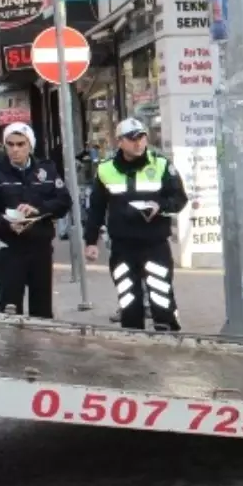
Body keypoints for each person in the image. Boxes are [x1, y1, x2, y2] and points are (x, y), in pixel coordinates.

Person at [83, 118, 188, 332]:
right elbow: (96, 208)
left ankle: (168, 340)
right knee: (128, 298)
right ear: (119, 142)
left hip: (155, 243)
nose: (138, 143)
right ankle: (132, 345)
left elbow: (179, 199)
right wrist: (91, 241)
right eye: (132, 139)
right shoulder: (105, 170)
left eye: (141, 137)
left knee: (161, 297)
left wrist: (160, 206)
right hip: (123, 245)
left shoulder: (160, 164)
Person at [0, 123, 72, 318]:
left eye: (20, 144)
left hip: (40, 247)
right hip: (9, 248)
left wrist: (39, 210)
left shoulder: (46, 169)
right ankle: (14, 348)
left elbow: (63, 201)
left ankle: (41, 347)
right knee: (10, 309)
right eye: (10, 144)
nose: (15, 149)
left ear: (30, 145)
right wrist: (5, 222)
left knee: (42, 310)